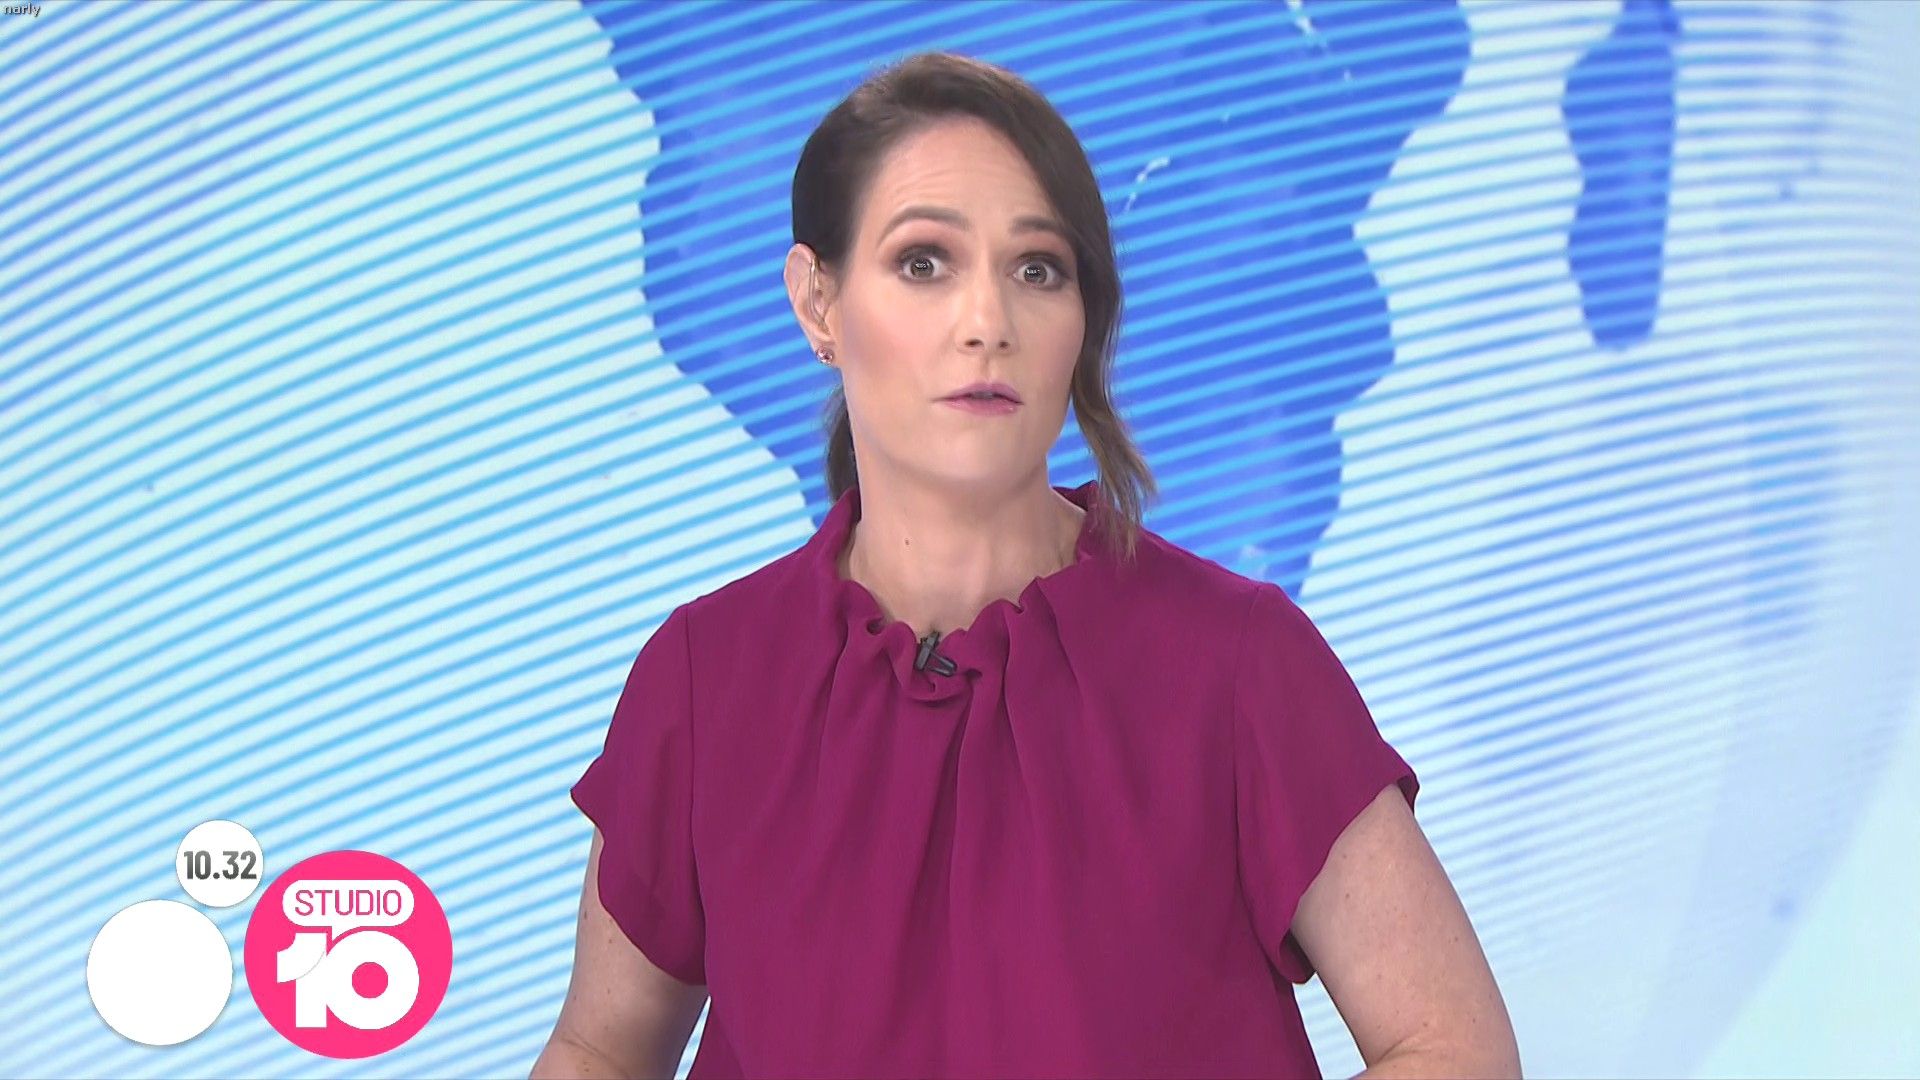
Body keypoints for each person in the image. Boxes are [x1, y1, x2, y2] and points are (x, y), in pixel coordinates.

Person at [534, 51, 1519, 1080]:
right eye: (924, 262)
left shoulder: (1237, 663)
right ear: (818, 302)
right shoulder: (706, 675)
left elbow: (1453, 1050)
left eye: (1037, 269)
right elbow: (600, 1049)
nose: (987, 323)